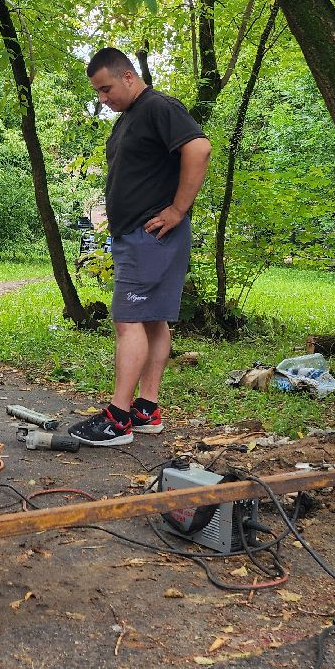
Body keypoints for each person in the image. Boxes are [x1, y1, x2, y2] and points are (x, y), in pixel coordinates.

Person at [71, 47, 212, 447]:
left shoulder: (158, 107)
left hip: (149, 235)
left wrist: (178, 209)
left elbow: (199, 148)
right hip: (141, 237)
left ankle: (118, 419)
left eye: (106, 88)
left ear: (129, 77)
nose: (103, 98)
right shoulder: (132, 116)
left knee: (128, 321)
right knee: (152, 321)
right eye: (98, 92)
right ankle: (146, 410)